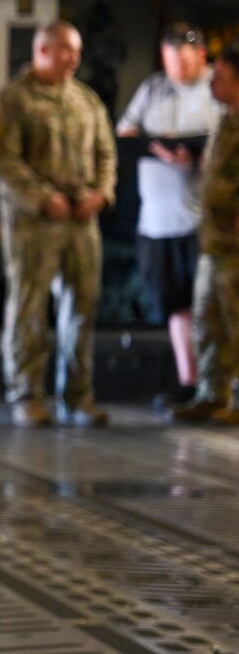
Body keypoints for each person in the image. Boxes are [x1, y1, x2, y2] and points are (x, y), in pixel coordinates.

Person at [0, 20, 117, 428]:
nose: (74, 59)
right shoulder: (14, 100)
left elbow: (106, 153)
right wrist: (44, 198)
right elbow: (3, 160)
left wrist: (101, 193)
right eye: (65, 50)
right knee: (31, 307)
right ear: (42, 51)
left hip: (81, 222)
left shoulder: (86, 100)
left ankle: (78, 395)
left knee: (83, 304)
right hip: (34, 223)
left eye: (76, 51)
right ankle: (27, 393)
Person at [118, 24, 220, 410]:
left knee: (211, 307)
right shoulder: (154, 88)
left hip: (201, 220)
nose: (176, 66)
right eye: (170, 58)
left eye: (184, 58)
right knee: (173, 303)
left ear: (202, 56)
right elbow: (126, 131)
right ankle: (189, 381)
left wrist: (194, 157)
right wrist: (155, 149)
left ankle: (220, 384)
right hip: (156, 221)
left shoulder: (217, 92)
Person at [183, 46, 239, 422]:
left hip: (235, 243)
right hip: (214, 239)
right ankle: (212, 394)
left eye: (219, 77)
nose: (212, 84)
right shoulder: (227, 122)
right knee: (207, 319)